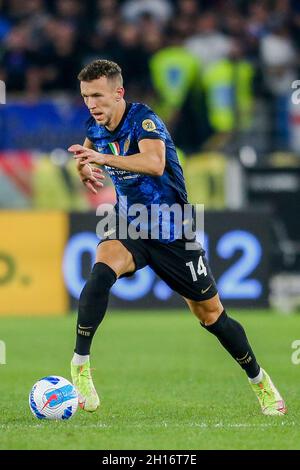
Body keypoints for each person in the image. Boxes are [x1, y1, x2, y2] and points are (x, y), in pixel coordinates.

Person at [68, 59, 286, 416]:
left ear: (118, 93)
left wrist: (101, 157)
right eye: (85, 96)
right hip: (130, 223)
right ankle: (80, 363)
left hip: (173, 230)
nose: (91, 104)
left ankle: (259, 379)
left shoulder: (144, 120)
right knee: (100, 273)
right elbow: (88, 150)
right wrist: (84, 168)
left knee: (212, 316)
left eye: (97, 95)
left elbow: (154, 164)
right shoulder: (97, 124)